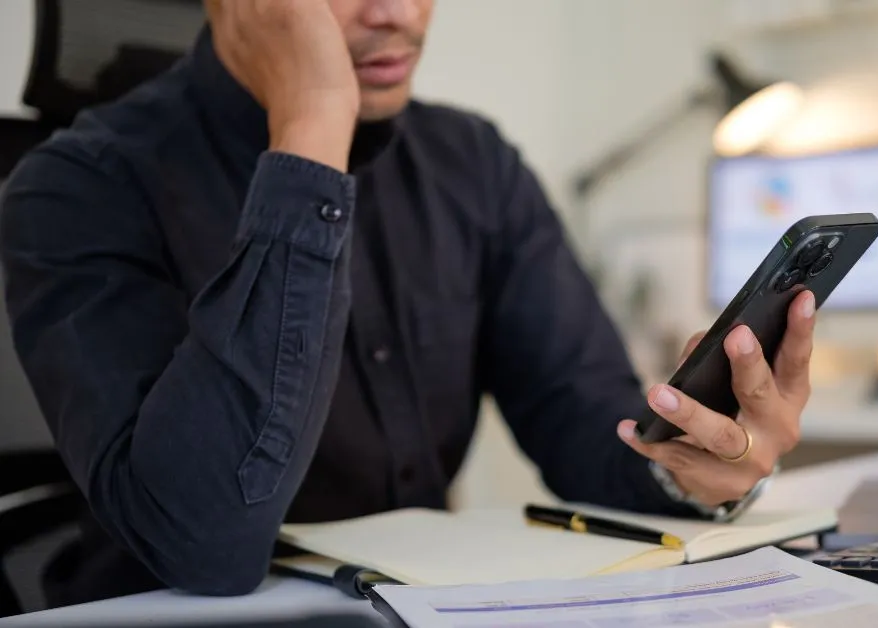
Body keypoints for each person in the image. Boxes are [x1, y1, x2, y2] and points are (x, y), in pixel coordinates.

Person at [0, 0, 816, 608]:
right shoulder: (77, 184)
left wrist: (697, 467)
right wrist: (316, 121)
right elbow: (203, 543)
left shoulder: (475, 165)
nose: (394, 15)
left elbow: (589, 433)